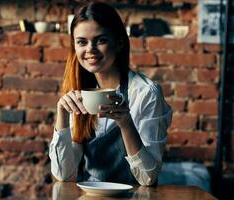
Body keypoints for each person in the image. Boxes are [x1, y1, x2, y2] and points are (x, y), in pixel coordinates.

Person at [49, 2, 172, 186]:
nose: (90, 49)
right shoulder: (79, 92)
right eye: (82, 42)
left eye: (101, 40)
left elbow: (148, 178)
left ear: (119, 43)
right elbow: (63, 174)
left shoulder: (145, 93)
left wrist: (126, 123)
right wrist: (62, 116)